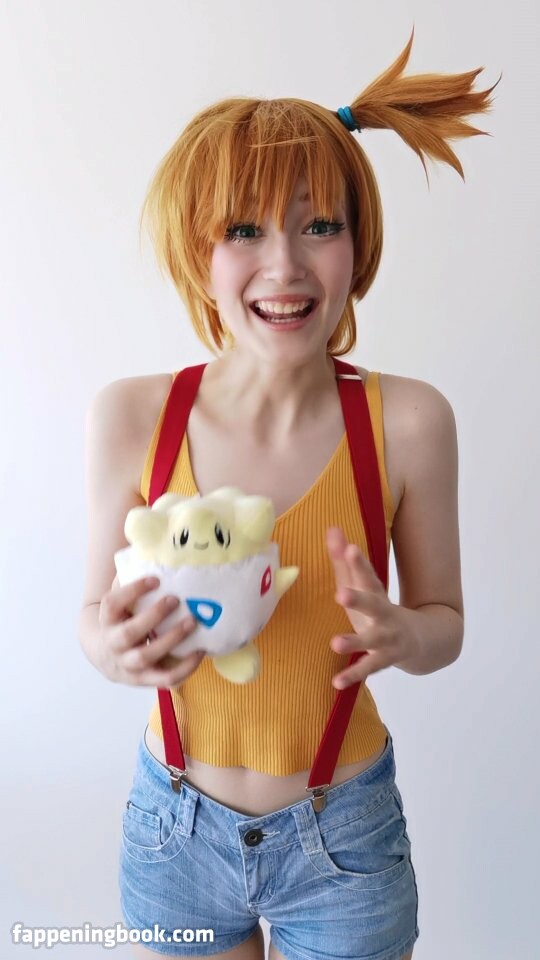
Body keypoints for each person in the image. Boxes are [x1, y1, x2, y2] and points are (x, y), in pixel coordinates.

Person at [78, 27, 499, 960]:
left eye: (320, 225)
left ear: (359, 243)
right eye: (244, 230)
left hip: (343, 839)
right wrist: (113, 649)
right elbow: (92, 616)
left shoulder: (409, 422)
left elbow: (446, 624)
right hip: (174, 832)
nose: (285, 266)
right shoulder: (132, 415)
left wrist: (404, 633)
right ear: (197, 250)